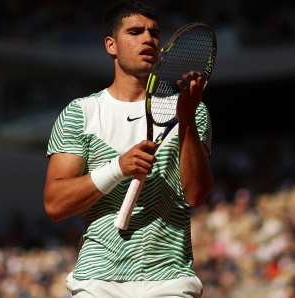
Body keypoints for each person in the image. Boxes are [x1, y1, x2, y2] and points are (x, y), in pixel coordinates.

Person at [43, 1, 214, 297]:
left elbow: (196, 195)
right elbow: (55, 204)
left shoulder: (192, 110)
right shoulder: (81, 112)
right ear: (111, 45)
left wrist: (185, 122)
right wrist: (117, 168)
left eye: (154, 33)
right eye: (135, 32)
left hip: (169, 282)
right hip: (96, 283)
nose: (148, 39)